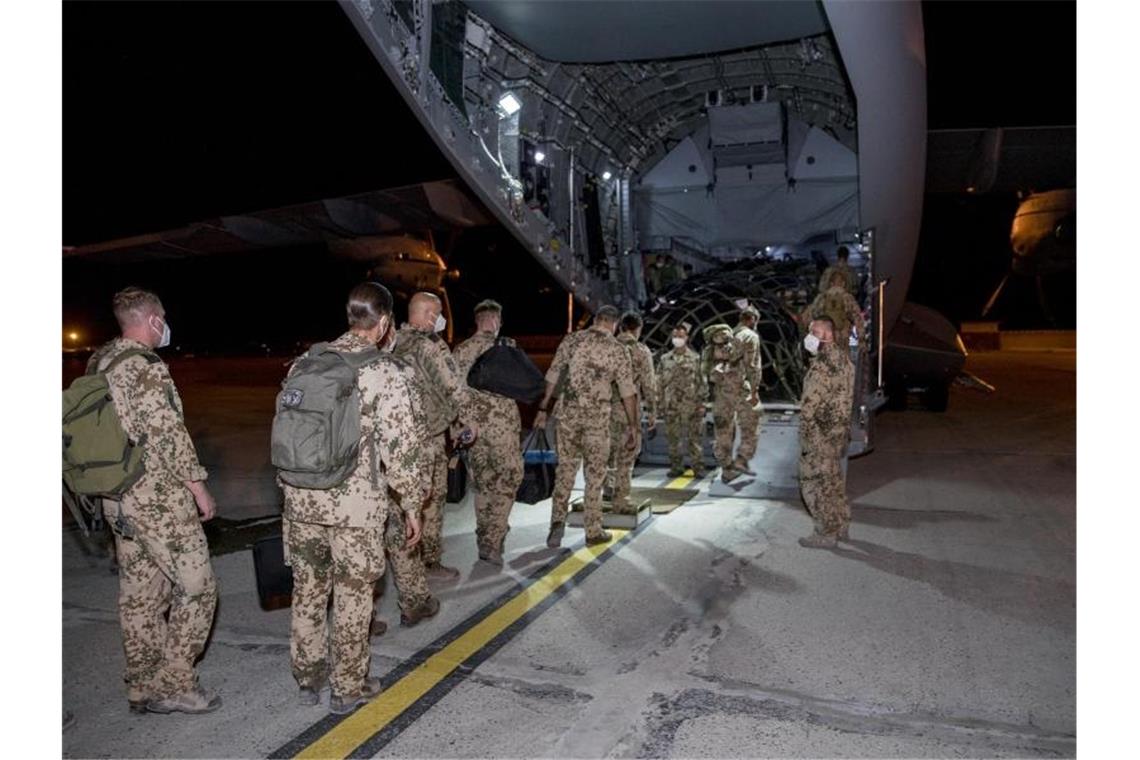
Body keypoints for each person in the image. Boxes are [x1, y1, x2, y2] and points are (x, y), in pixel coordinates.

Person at [281, 282, 430, 714]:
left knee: (308, 589)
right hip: (354, 508)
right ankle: (349, 686)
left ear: (351, 318)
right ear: (384, 323)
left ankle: (308, 675)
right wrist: (412, 504)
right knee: (353, 592)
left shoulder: (304, 364)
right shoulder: (386, 372)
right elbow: (401, 449)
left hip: (302, 499)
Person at [86, 287, 220, 715]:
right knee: (198, 588)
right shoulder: (145, 368)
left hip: (118, 499)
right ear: (152, 320)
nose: (165, 324)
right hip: (157, 499)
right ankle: (175, 684)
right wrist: (197, 485)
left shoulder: (101, 362)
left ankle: (142, 683)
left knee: (141, 594)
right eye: (162, 317)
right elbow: (167, 433)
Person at [533, 306, 638, 546]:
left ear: (596, 320)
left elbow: (553, 374)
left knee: (565, 471)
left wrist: (542, 408)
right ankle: (593, 530)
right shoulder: (618, 350)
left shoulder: (572, 340)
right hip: (597, 420)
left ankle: (557, 523)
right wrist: (633, 426)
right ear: (614, 324)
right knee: (595, 475)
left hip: (568, 416)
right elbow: (628, 392)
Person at [393, 292, 475, 582]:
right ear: (427, 314)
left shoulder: (393, 342)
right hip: (428, 438)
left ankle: (406, 567)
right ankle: (429, 563)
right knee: (432, 500)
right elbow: (451, 386)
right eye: (437, 314)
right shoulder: (429, 346)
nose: (439, 320)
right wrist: (468, 419)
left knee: (407, 503)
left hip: (400, 438)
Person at [451, 300, 524, 566]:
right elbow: (524, 385)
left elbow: (453, 393)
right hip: (503, 429)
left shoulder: (460, 351)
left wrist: (460, 425)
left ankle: (483, 536)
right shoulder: (506, 347)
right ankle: (493, 540)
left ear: (477, 320)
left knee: (482, 484)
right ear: (496, 320)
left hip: (473, 432)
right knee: (508, 480)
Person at [797, 316, 856, 548]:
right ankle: (841, 524)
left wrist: (805, 437)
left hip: (819, 435)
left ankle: (825, 532)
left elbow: (810, 405)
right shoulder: (843, 359)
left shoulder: (822, 365)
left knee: (814, 482)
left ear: (828, 335)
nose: (810, 336)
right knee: (833, 480)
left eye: (815, 331)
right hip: (836, 432)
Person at [605, 311, 658, 513]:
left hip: (603, 410)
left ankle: (605, 490)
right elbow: (649, 384)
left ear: (620, 327)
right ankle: (621, 500)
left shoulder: (606, 347)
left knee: (605, 454)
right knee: (626, 456)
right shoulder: (641, 350)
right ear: (638, 329)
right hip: (629, 411)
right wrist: (652, 411)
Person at [703, 306, 763, 482]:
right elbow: (753, 366)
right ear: (752, 319)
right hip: (739, 389)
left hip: (721, 390)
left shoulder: (725, 335)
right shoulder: (750, 337)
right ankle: (742, 460)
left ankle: (726, 467)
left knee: (723, 428)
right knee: (752, 423)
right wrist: (755, 390)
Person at [656, 322, 708, 477]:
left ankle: (698, 468)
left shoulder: (695, 358)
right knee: (673, 439)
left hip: (691, 405)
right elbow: (659, 382)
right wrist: (659, 403)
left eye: (681, 336)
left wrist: (702, 403)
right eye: (675, 336)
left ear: (687, 337)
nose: (677, 339)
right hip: (671, 405)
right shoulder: (665, 359)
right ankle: (676, 467)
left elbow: (702, 381)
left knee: (694, 439)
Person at [802, 270, 866, 357]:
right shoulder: (847, 297)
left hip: (825, 338)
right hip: (843, 338)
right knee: (843, 361)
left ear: (831, 283)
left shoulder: (822, 297)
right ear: (843, 283)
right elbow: (858, 319)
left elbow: (809, 317)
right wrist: (862, 341)